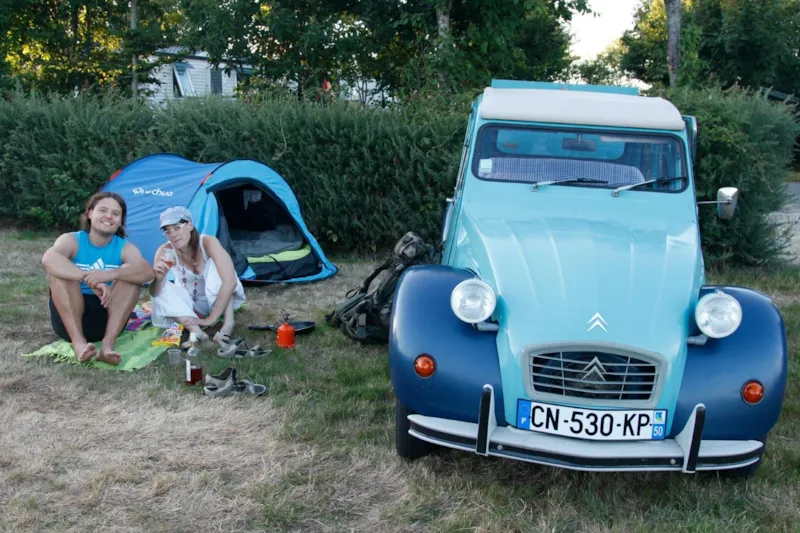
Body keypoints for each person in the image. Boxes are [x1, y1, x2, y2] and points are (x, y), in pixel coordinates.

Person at [42, 191, 155, 365]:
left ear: (120, 222)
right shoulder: (72, 240)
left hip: (106, 319)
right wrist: (87, 279)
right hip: (69, 320)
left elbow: (147, 272)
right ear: (90, 213)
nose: (109, 216)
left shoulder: (125, 247)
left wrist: (110, 274)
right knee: (60, 275)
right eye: (103, 210)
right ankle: (79, 344)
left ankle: (107, 346)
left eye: (116, 214)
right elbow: (49, 258)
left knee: (130, 276)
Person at [149, 206, 245, 346]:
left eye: (177, 227)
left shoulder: (207, 242)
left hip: (217, 299)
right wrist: (158, 279)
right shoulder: (165, 251)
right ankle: (196, 332)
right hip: (190, 305)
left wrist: (211, 319)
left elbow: (230, 281)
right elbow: (155, 294)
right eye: (168, 231)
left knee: (218, 269)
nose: (173, 235)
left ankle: (228, 323)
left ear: (189, 225)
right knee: (161, 284)